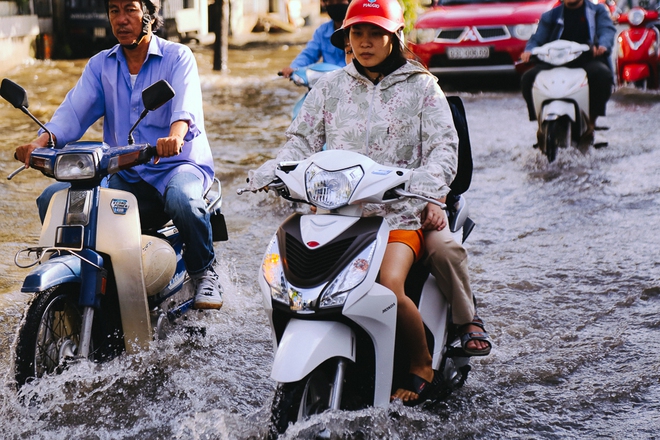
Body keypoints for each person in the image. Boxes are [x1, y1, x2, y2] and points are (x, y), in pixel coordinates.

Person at [249, 0, 490, 405]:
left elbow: (444, 149)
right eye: (356, 33)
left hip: (399, 214)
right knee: (287, 277)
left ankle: (420, 364)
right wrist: (278, 171)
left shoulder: (422, 87)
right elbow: (299, 141)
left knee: (387, 286)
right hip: (335, 213)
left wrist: (427, 186)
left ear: (393, 37)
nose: (364, 42)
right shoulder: (328, 86)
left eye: (374, 33)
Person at [14, 0, 223, 310]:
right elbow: (74, 111)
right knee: (53, 199)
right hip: (123, 170)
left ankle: (204, 272)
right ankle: (82, 277)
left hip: (175, 165)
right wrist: (40, 142)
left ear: (149, 15)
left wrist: (175, 136)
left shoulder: (178, 57)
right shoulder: (102, 64)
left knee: (183, 200)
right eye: (114, 10)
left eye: (131, 10)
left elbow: (186, 108)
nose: (122, 20)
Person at [520, 0, 616, 135]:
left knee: (603, 75)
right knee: (528, 78)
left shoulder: (597, 11)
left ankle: (591, 122)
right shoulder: (550, 15)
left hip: (585, 59)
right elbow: (537, 39)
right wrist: (529, 50)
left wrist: (602, 45)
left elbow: (606, 30)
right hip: (554, 61)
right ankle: (540, 124)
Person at [279, 0, 350, 78]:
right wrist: (294, 68)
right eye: (331, 2)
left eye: (339, 1)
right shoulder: (322, 31)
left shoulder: (356, 30)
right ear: (324, 3)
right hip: (328, 80)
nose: (335, 5)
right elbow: (309, 54)